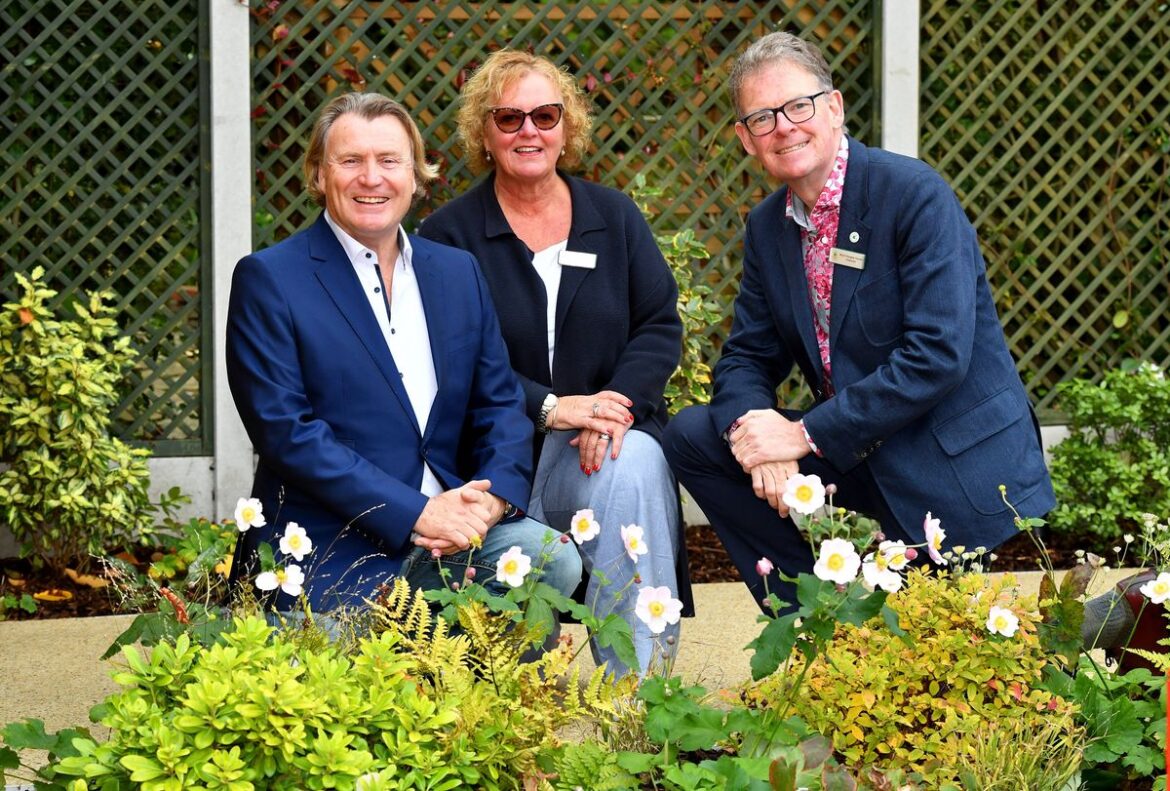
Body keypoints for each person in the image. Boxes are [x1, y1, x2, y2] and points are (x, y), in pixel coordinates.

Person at [663, 32, 1056, 613]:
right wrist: (758, 434)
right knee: (696, 436)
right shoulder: (769, 227)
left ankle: (873, 612)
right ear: (746, 139)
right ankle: (817, 620)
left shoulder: (913, 194)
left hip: (949, 462)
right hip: (858, 451)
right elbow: (747, 355)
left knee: (956, 668)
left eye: (799, 105)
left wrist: (799, 436)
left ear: (835, 107)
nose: (785, 126)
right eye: (763, 117)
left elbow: (938, 355)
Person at [225, 92, 582, 618]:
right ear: (319, 175)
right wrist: (417, 513)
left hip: (457, 538)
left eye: (390, 161)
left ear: (416, 176)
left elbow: (500, 402)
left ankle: (476, 691)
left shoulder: (457, 273)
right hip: (331, 546)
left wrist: (493, 499)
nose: (373, 178)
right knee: (349, 675)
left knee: (553, 561)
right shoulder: (269, 279)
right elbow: (287, 433)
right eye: (351, 161)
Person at [419, 50, 690, 676]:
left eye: (545, 115)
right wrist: (549, 406)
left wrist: (612, 408)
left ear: (568, 127)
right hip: (489, 464)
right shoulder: (446, 237)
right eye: (508, 118)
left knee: (639, 456)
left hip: (596, 450)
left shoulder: (613, 217)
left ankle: (641, 696)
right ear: (482, 134)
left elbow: (657, 324)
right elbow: (444, 358)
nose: (529, 132)